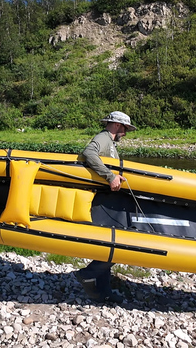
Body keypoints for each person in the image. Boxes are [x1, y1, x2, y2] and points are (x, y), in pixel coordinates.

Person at [74, 111, 136, 303]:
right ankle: (88, 274)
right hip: (99, 201)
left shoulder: (110, 143)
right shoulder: (103, 138)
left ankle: (101, 292)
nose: (125, 133)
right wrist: (110, 177)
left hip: (105, 199)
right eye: (125, 129)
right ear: (117, 125)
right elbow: (89, 153)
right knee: (116, 243)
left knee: (109, 244)